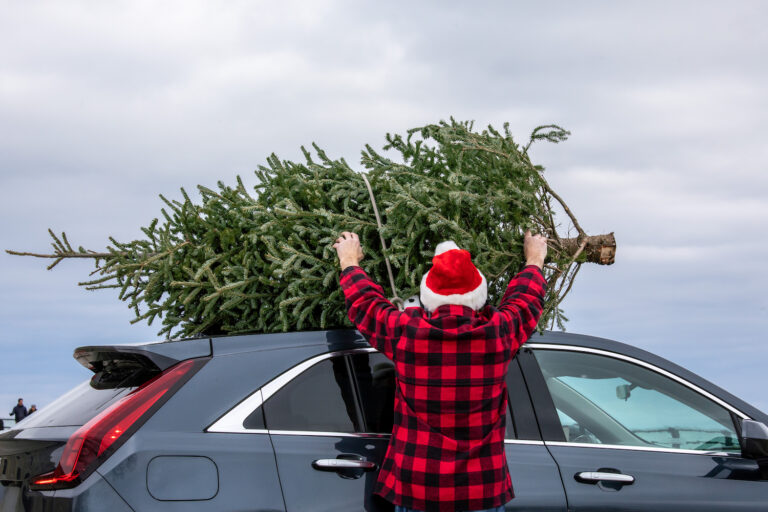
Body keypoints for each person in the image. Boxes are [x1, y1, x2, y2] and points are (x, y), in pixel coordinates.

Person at [334, 231, 547, 512]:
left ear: (428, 296)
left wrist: (349, 260)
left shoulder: (408, 332)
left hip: (418, 489)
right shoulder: (498, 332)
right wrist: (534, 259)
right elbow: (526, 301)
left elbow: (366, 304)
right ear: (478, 295)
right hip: (480, 490)